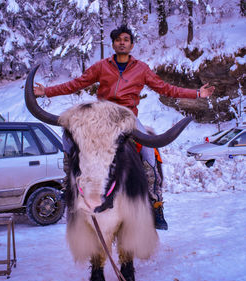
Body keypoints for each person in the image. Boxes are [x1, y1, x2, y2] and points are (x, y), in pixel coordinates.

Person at [34, 25, 215, 230]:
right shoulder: (101, 66)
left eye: (126, 39)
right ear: (113, 44)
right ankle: (70, 185)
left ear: (131, 44)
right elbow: (77, 84)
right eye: (118, 39)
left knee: (149, 154)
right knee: (69, 135)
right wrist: (46, 92)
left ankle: (156, 204)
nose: (122, 42)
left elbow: (166, 89)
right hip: (101, 115)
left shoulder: (142, 69)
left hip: (127, 117)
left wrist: (197, 94)